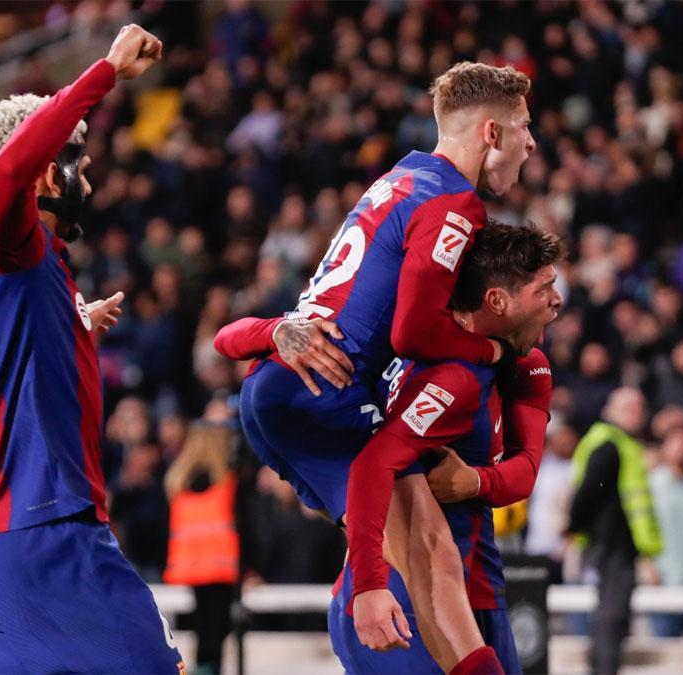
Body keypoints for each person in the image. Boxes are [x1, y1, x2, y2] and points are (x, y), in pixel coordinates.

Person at [215, 62, 536, 673]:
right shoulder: (455, 203)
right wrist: (495, 351)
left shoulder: (401, 177)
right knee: (433, 549)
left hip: (281, 381)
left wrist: (274, 331)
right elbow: (412, 330)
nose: (532, 141)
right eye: (524, 127)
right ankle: (367, 599)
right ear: (491, 133)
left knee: (407, 544)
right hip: (327, 387)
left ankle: (366, 597)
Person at [0, 25, 185, 673]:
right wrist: (103, 73)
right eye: (81, 168)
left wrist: (72, 319)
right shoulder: (4, 236)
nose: (88, 186)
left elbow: (3, 349)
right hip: (46, 531)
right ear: (50, 172)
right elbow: (12, 170)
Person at [334, 222, 562, 673]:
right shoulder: (441, 372)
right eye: (545, 289)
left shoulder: (526, 366)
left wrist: (473, 481)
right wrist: (370, 585)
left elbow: (526, 470)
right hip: (409, 595)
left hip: (477, 588)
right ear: (497, 301)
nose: (557, 300)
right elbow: (370, 466)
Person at [567, 387, 663, 675]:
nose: (639, 414)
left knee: (611, 618)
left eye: (640, 407)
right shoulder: (610, 444)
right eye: (632, 408)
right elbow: (586, 493)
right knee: (612, 618)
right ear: (614, 409)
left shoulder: (615, 442)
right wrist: (573, 527)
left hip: (614, 544)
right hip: (611, 544)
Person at [164, 423, 240, 675]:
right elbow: (244, 528)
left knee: (202, 628)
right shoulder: (226, 484)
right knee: (216, 631)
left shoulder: (177, 485)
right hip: (223, 569)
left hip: (190, 568)